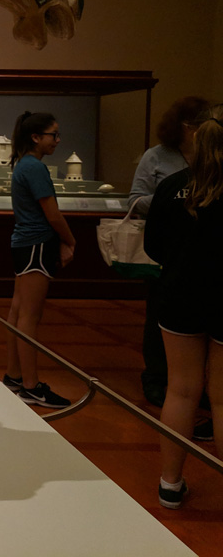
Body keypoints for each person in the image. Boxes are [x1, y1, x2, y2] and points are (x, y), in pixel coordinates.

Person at [144, 104, 223, 509]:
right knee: (222, 398)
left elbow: (153, 245)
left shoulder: (173, 185)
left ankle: (170, 484)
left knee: (180, 389)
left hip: (178, 294)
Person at [129, 96, 210, 409]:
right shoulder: (157, 156)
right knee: (160, 319)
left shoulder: (212, 156)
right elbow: (136, 200)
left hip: (206, 255)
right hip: (169, 253)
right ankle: (156, 378)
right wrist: (174, 199)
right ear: (188, 127)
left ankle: (198, 385)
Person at [2, 111, 77, 408]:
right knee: (29, 317)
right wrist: (70, 240)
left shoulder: (25, 164)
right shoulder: (34, 167)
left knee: (18, 312)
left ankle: (14, 375)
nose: (57, 140)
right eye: (53, 135)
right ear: (35, 137)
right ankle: (31, 386)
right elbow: (52, 214)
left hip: (25, 243)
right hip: (36, 244)